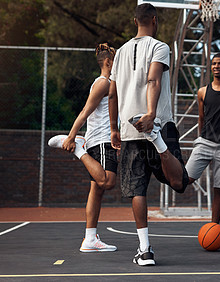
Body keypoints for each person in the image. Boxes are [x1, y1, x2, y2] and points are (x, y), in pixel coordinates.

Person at [108, 3, 189, 266]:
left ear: (135, 21)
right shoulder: (159, 47)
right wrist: (152, 114)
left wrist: (114, 127)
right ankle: (158, 141)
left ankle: (145, 250)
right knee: (179, 183)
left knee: (138, 190)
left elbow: (112, 92)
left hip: (131, 128)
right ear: (154, 20)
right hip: (158, 123)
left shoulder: (118, 53)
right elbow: (154, 79)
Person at [48, 43, 118, 252]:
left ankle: (89, 239)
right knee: (107, 181)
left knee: (96, 190)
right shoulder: (104, 83)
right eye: (116, 61)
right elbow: (85, 111)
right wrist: (71, 137)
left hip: (101, 139)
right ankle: (80, 149)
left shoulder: (108, 83)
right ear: (108, 62)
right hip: (102, 140)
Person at [186, 53, 220, 224]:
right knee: (185, 179)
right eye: (214, 63)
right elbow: (201, 118)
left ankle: (214, 226)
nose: (216, 66)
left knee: (219, 189)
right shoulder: (202, 91)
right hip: (205, 142)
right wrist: (201, 137)